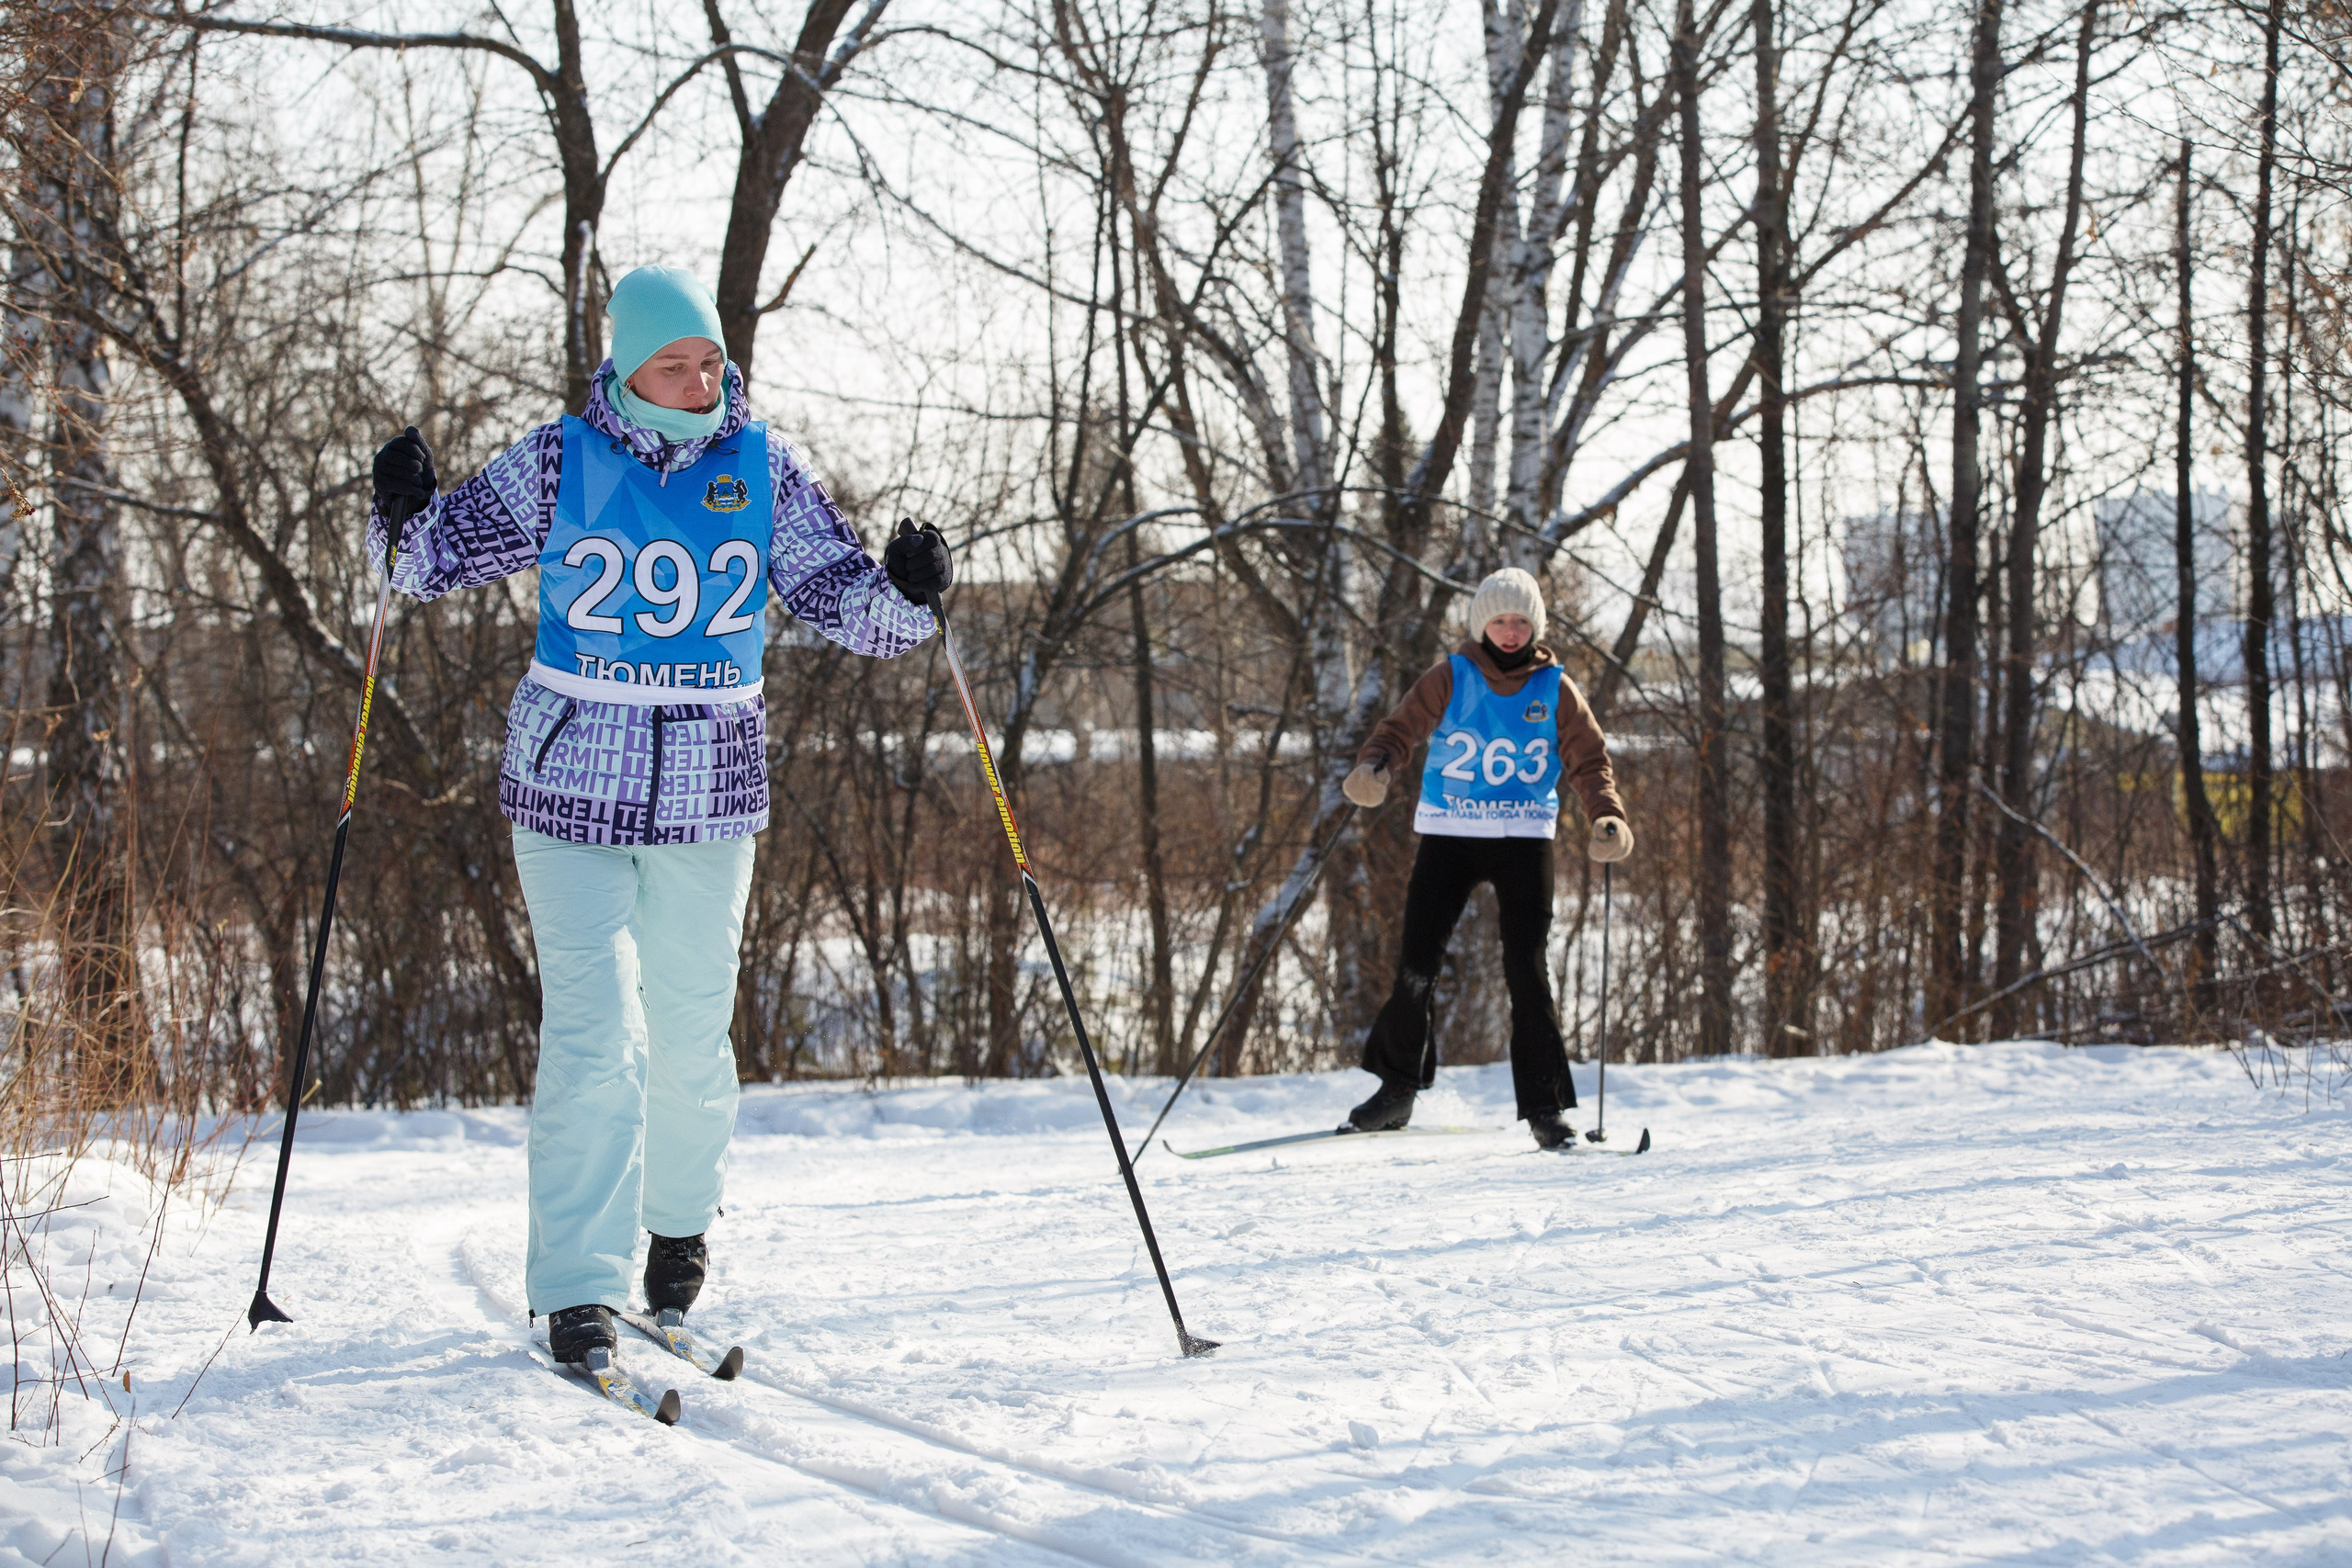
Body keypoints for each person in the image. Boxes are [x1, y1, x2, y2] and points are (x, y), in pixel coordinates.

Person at [366, 266, 952, 1365]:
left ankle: (677, 1231)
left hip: (706, 793)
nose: (696, 381)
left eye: (708, 361)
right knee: (595, 1038)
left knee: (689, 1030)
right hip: (567, 785)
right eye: (671, 364)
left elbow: (843, 600)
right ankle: (577, 1285)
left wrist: (910, 596)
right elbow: (424, 565)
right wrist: (398, 512)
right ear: (625, 370)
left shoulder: (762, 465)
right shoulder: (560, 458)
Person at [1339, 567, 1632, 1149]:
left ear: (1535, 626)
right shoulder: (1450, 676)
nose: (1510, 631)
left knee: (1527, 970)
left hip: (1523, 836)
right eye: (1500, 620)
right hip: (1450, 832)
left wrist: (1608, 815)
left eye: (1521, 620)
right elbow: (1399, 730)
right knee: (1417, 963)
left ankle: (1545, 1109)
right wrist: (1375, 767)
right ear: (1482, 625)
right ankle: (1397, 1090)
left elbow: (1589, 760)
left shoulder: (1555, 689)